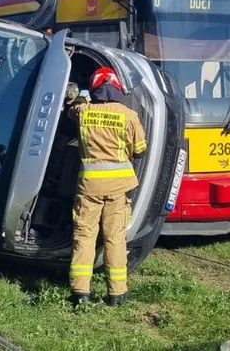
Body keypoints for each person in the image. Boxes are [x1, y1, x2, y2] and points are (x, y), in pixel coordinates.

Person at [67, 67, 147, 307]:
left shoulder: (83, 112)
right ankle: (117, 294)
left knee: (84, 237)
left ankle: (80, 292)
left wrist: (82, 96)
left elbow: (72, 108)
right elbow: (140, 149)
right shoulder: (128, 115)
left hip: (89, 188)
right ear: (116, 88)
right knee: (115, 239)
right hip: (118, 189)